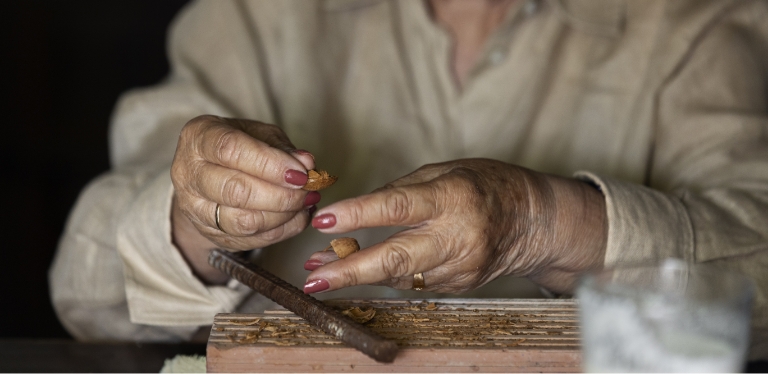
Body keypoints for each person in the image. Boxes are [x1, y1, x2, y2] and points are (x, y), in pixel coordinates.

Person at [50, 0, 768, 359]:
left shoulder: (693, 26)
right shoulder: (255, 17)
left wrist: (543, 221)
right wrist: (200, 215)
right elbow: (83, 289)